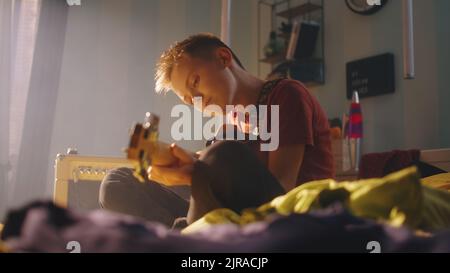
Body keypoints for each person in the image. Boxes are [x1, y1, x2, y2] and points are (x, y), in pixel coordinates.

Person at [99, 33, 334, 228]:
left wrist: (202, 168)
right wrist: (185, 169)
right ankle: (182, 238)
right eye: (190, 101)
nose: (198, 101)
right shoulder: (226, 128)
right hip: (228, 220)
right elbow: (208, 195)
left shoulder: (286, 95)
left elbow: (282, 192)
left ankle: (184, 238)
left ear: (223, 58)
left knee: (221, 155)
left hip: (286, 218)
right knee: (116, 182)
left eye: (195, 82)